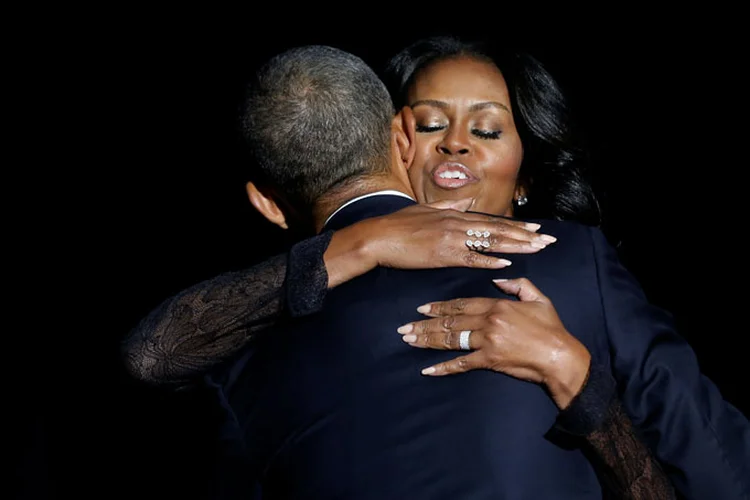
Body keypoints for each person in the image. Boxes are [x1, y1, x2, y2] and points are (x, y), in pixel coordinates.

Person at [121, 37, 749, 497]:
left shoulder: (574, 262)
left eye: (489, 131)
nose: (456, 142)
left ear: (525, 179)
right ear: (395, 140)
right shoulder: (257, 324)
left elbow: (718, 471)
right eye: (430, 123)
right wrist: (365, 243)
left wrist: (571, 371)